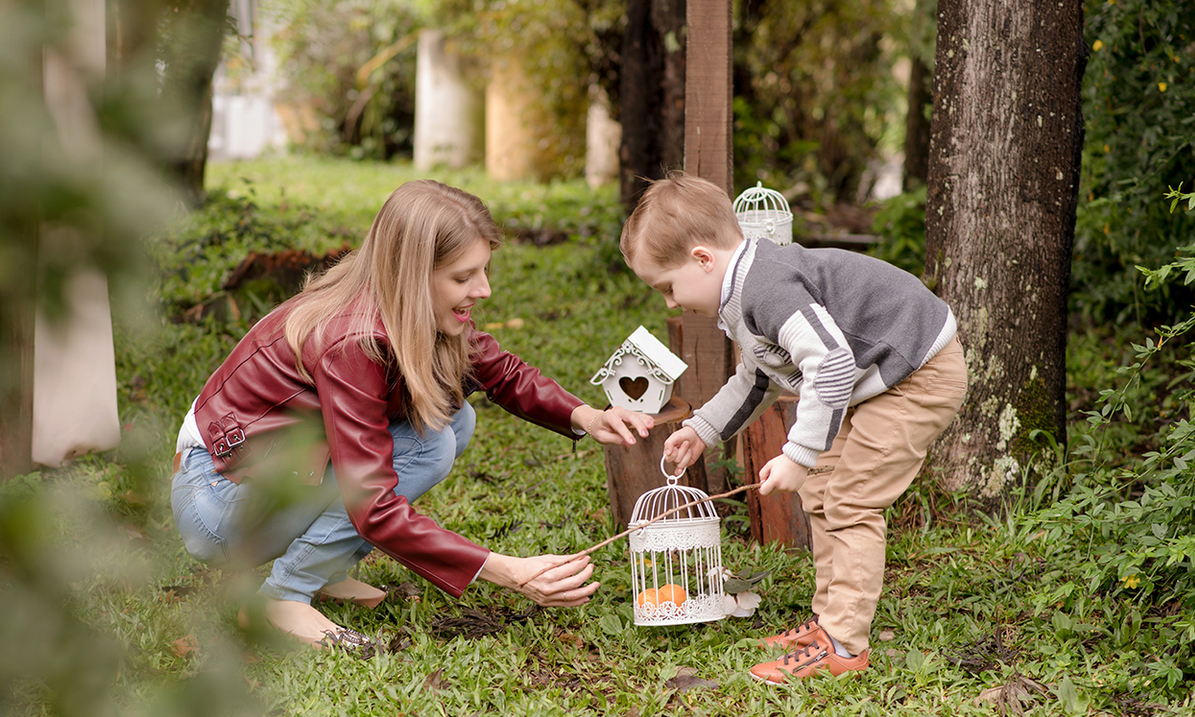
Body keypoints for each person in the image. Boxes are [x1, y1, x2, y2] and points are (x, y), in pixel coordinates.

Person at [171, 179, 654, 648]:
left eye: (484, 270)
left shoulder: (405, 308)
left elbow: (499, 370)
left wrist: (587, 416)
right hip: (219, 502)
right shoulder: (352, 340)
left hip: (272, 469)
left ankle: (320, 569)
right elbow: (373, 505)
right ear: (410, 274)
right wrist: (508, 570)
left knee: (454, 421)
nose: (483, 290)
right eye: (463, 277)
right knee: (429, 445)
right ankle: (285, 595)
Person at [620, 173, 967, 683]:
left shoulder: (767, 285)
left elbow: (829, 363)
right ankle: (830, 621)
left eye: (668, 287)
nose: (670, 302)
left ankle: (845, 645)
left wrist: (799, 452)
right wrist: (702, 429)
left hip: (916, 373)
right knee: (823, 490)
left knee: (850, 499)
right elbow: (757, 377)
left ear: (702, 259)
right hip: (872, 380)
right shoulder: (740, 295)